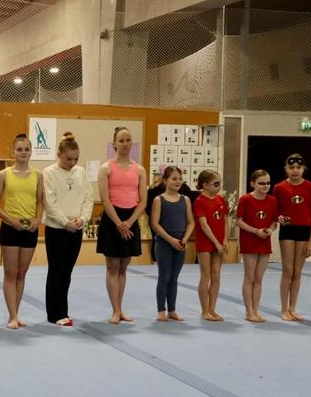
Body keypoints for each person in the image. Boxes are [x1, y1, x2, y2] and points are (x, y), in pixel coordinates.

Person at [0, 133, 43, 329]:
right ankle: (12, 316)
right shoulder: (4, 174)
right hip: (10, 228)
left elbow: (40, 202)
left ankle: (16, 312)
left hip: (30, 229)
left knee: (22, 273)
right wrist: (11, 221)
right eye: (19, 149)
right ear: (13, 151)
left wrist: (37, 220)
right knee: (10, 273)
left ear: (31, 151)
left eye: (27, 149)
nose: (23, 152)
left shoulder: (38, 175)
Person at [42, 133, 93, 326]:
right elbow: (50, 202)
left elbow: (88, 197)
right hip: (56, 228)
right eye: (68, 159)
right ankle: (54, 314)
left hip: (76, 228)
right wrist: (65, 222)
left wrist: (82, 219)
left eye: (75, 159)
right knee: (56, 270)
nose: (72, 163)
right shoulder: (49, 172)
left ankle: (63, 310)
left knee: (67, 271)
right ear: (59, 155)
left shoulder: (81, 172)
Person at [97, 126, 146, 324]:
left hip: (130, 218)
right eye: (121, 140)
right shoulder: (106, 168)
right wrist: (119, 223)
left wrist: (130, 222)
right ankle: (115, 310)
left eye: (128, 140)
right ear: (114, 144)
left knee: (124, 267)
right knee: (113, 266)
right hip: (113, 219)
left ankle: (120, 307)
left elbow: (143, 201)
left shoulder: (139, 170)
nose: (125, 144)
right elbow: (105, 199)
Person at [273, 153, 311, 322]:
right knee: (288, 270)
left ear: (303, 169)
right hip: (288, 229)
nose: (295, 171)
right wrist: (278, 217)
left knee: (297, 271)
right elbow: (274, 210)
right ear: (286, 169)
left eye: (298, 168)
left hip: (304, 231)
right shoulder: (279, 187)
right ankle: (283, 309)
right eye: (291, 167)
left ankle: (293, 308)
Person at [149, 166, 194, 323]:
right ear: (165, 180)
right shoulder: (159, 200)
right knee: (164, 276)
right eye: (174, 179)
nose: (178, 181)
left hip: (180, 244)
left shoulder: (185, 200)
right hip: (164, 243)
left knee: (174, 278)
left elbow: (191, 222)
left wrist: (185, 238)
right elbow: (155, 224)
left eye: (180, 179)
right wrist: (170, 240)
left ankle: (172, 310)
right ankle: (161, 310)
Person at [236, 169, 278, 323]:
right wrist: (255, 231)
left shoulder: (272, 201)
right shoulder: (245, 199)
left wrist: (270, 230)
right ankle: (248, 312)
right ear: (252, 184)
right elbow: (238, 221)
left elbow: (274, 221)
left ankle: (256, 310)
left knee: (259, 278)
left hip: (264, 241)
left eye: (268, 183)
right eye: (261, 183)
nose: (265, 186)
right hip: (249, 240)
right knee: (250, 277)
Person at [192, 169, 229, 322]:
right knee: (205, 275)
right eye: (216, 184)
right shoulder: (200, 201)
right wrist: (216, 242)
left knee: (216, 276)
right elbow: (204, 225)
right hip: (205, 242)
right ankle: (205, 311)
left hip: (219, 242)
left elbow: (225, 221)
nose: (219, 186)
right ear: (205, 185)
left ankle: (212, 309)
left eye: (220, 183)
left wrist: (225, 240)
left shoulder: (220, 200)